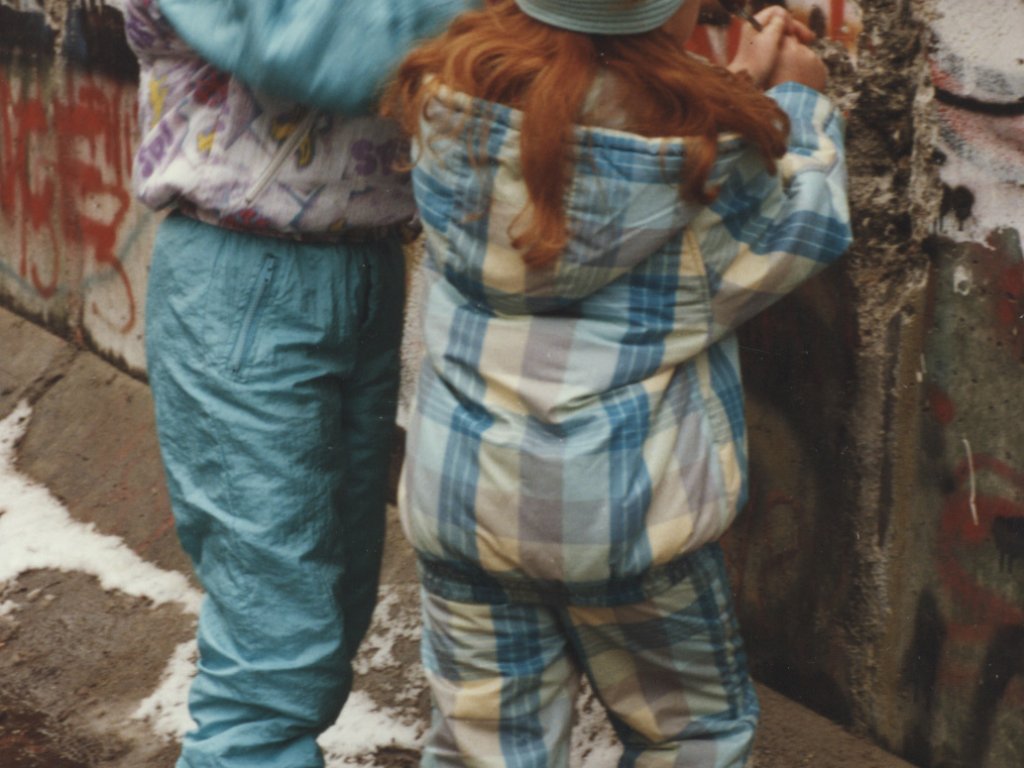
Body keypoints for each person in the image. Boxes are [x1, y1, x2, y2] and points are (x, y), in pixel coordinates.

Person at [383, 0, 851, 765]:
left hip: (464, 502)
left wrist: (729, 85)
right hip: (627, 525)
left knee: (483, 750)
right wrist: (799, 99)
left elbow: (584, 150)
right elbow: (800, 228)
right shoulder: (706, 159)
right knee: (689, 739)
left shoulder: (450, 100)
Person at [122, 1, 474, 766]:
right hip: (242, 277)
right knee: (275, 650)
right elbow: (316, 45)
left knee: (332, 608)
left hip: (364, 264)